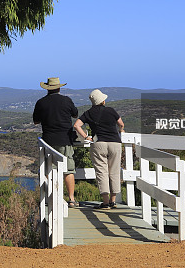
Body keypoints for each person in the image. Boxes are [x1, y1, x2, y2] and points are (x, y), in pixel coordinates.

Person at [33, 76, 80, 207]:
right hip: (65, 140)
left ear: (47, 88)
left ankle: (53, 198)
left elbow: (36, 121)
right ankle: (71, 199)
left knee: (49, 170)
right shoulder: (66, 100)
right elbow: (75, 114)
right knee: (69, 170)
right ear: (59, 88)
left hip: (48, 141)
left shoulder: (41, 102)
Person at [74, 88, 124, 209]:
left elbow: (76, 125)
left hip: (99, 143)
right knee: (114, 171)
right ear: (103, 101)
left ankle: (105, 202)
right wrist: (121, 131)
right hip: (115, 143)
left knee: (102, 172)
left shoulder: (88, 113)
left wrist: (86, 137)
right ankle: (113, 201)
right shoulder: (111, 110)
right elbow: (121, 124)